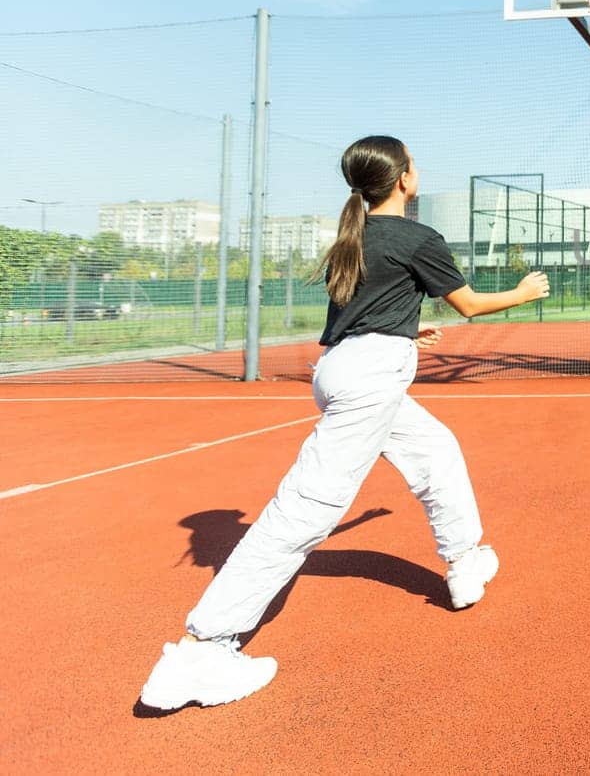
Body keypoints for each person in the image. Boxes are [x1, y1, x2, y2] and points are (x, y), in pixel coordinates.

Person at [139, 136, 549, 711]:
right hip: (370, 375)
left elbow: (362, 316)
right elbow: (471, 305)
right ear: (404, 179)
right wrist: (525, 292)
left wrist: (406, 330)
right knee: (304, 509)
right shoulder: (416, 236)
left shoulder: (352, 236)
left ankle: (464, 561)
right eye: (414, 162)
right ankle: (200, 651)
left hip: (346, 367)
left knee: (435, 450)